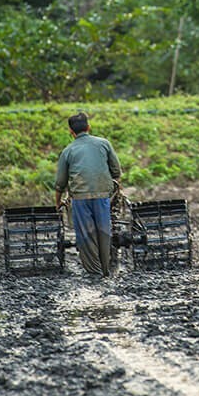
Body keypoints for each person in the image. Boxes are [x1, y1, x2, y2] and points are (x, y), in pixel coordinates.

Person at [55, 112, 121, 278]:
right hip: (103, 195)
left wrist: (58, 203)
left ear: (71, 132)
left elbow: (60, 183)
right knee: (104, 231)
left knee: (86, 234)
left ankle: (94, 271)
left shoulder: (67, 151)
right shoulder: (104, 143)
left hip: (80, 197)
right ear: (89, 127)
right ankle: (106, 269)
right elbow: (116, 171)